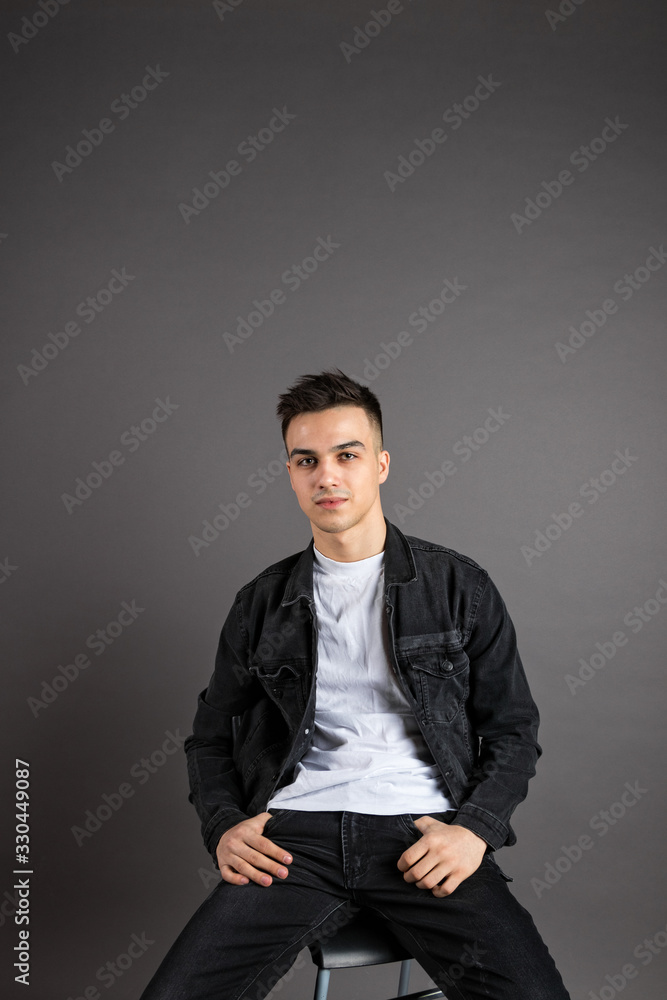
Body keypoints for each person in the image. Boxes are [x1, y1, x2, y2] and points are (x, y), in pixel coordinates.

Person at [140, 368, 571, 1000]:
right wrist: (223, 825)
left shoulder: (458, 587)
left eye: (347, 455)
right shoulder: (262, 602)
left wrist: (474, 830)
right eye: (306, 460)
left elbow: (514, 730)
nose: (327, 476)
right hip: (292, 843)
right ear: (290, 473)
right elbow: (209, 738)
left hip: (419, 837)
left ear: (381, 464)